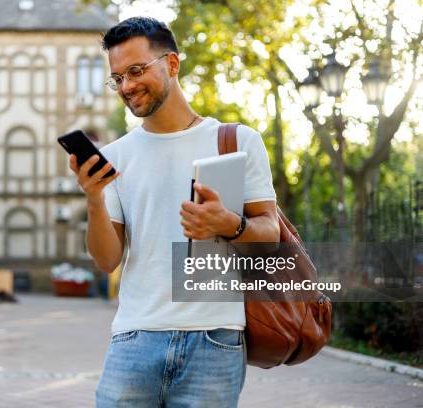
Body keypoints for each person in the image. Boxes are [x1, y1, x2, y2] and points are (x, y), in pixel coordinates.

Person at [68, 16, 280, 408]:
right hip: (134, 338)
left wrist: (230, 225)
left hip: (215, 340)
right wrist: (94, 198)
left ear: (171, 64)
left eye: (135, 71)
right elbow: (107, 259)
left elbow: (271, 232)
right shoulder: (116, 157)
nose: (127, 86)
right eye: (117, 78)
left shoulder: (236, 141)